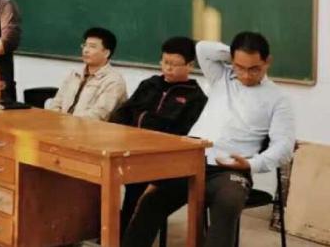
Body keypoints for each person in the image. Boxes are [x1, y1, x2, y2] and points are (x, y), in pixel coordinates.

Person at [122, 32, 296, 247]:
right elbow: (203, 48)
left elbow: (284, 146)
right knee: (150, 202)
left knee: (228, 203)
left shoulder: (278, 99)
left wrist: (252, 164)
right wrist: (233, 55)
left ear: (267, 61)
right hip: (190, 161)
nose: (246, 75)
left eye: (254, 69)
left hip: (230, 169)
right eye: (240, 67)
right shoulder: (222, 77)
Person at [109, 36, 208, 233]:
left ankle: (126, 234)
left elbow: (182, 133)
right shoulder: (150, 84)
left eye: (174, 64)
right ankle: (108, 228)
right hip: (131, 150)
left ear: (190, 65)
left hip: (164, 158)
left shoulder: (196, 97)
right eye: (165, 62)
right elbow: (123, 113)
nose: (168, 68)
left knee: (137, 186)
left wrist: (146, 124)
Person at [45, 27, 127, 120]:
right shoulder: (75, 74)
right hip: (61, 125)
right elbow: (57, 102)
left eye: (92, 46)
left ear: (106, 53)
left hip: (90, 128)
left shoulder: (114, 81)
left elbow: (98, 115)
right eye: (85, 45)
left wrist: (67, 123)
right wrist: (57, 120)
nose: (85, 50)